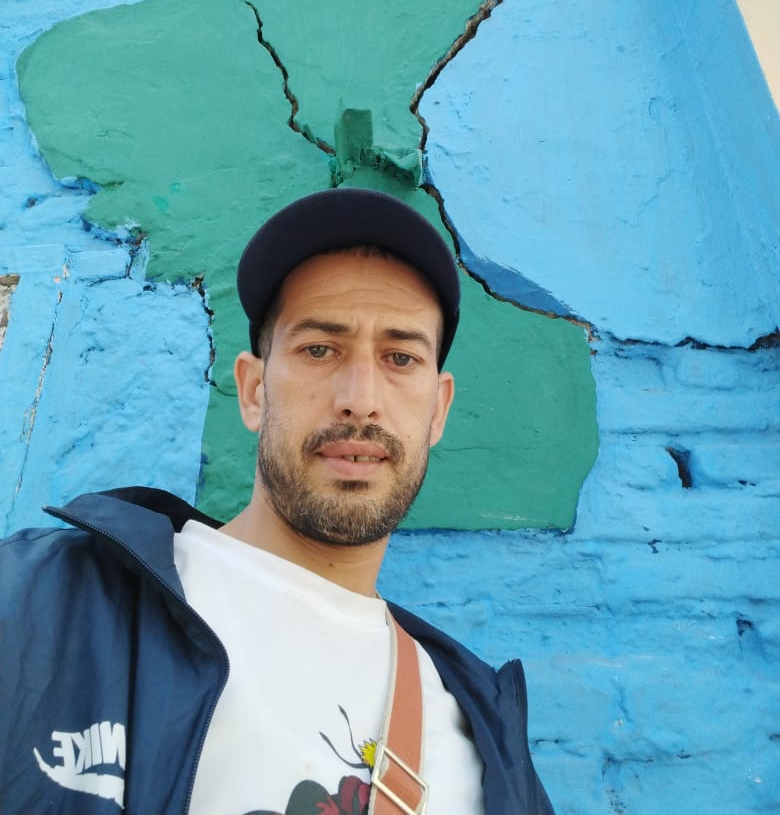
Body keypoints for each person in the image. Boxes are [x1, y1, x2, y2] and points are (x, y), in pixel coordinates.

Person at [0, 188, 554, 815]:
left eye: (400, 357)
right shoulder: (44, 603)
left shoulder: (488, 745)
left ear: (438, 410)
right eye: (319, 349)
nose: (361, 399)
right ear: (253, 391)